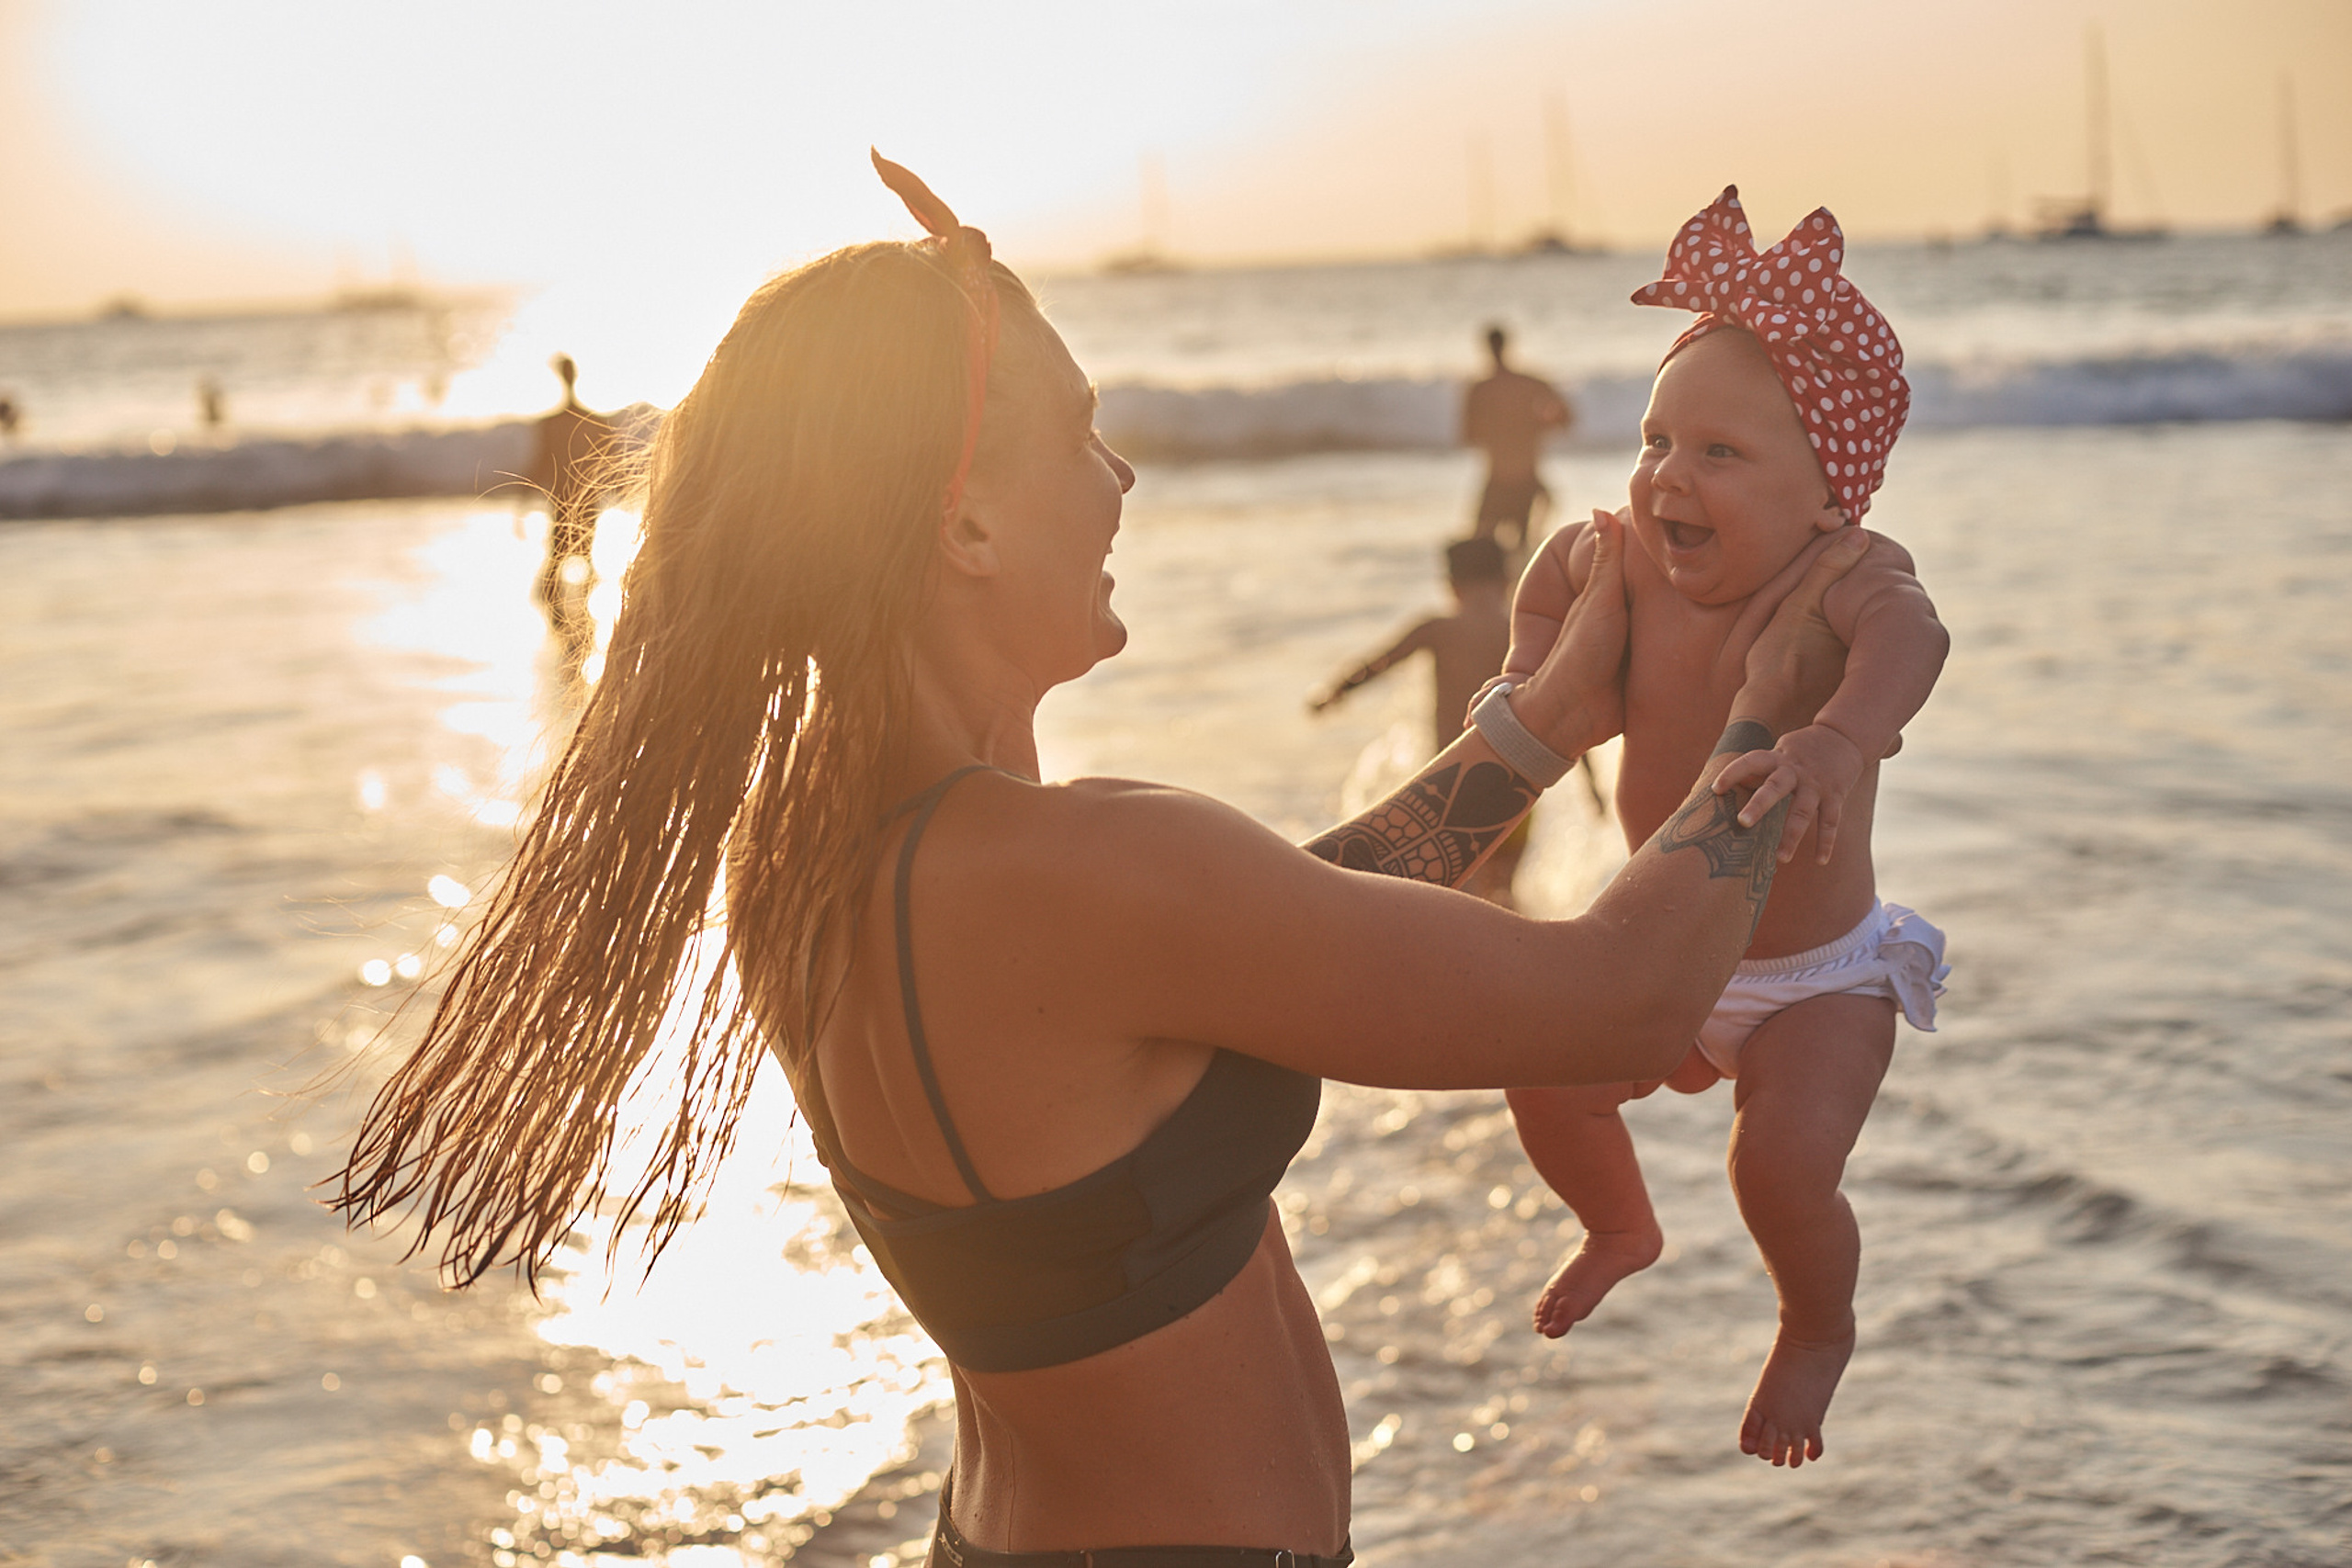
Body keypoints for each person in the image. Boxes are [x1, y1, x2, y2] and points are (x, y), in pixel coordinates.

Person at [334, 156, 1868, 1564]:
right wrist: (1766, 713)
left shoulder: (812, 849)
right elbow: (1618, 999)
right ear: (966, 527)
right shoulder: (1086, 868)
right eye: (1076, 435)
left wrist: (1534, 729)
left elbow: (1268, 935)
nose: (1119, 476)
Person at [1497, 187, 1951, 1472]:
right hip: (1669, 955)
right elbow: (1550, 573)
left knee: (1780, 1169)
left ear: (1829, 496)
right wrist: (1529, 675)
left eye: (1719, 454)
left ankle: (1814, 1324)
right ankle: (1619, 1224)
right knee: (1537, 1069)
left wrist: (1839, 736)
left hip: (1816, 977)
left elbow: (1915, 637)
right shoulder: (1627, 557)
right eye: (1655, 439)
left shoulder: (1847, 572)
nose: (1667, 477)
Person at [1310, 537, 1529, 903]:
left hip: (1453, 785)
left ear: (1452, 585)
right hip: (1520, 784)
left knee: (1462, 892)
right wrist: (1591, 786)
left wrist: (1335, 691)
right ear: (1508, 581)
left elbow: (1380, 662)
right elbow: (1560, 707)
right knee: (1504, 889)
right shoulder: (1522, 638)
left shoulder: (1438, 630)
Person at [525, 354, 617, 660]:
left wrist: (523, 498)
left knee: (560, 561)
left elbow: (541, 463)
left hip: (566, 500)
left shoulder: (552, 424)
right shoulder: (594, 420)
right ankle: (579, 623)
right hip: (583, 500)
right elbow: (611, 461)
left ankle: (567, 625)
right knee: (580, 559)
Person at [1461, 324, 1570, 557]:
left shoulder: (1480, 389)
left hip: (1498, 478)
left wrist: (1499, 430)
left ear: (1487, 347)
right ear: (1506, 345)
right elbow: (1566, 419)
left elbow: (1467, 436)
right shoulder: (1530, 384)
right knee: (1523, 550)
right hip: (1527, 477)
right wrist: (1535, 426)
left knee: (1482, 550)